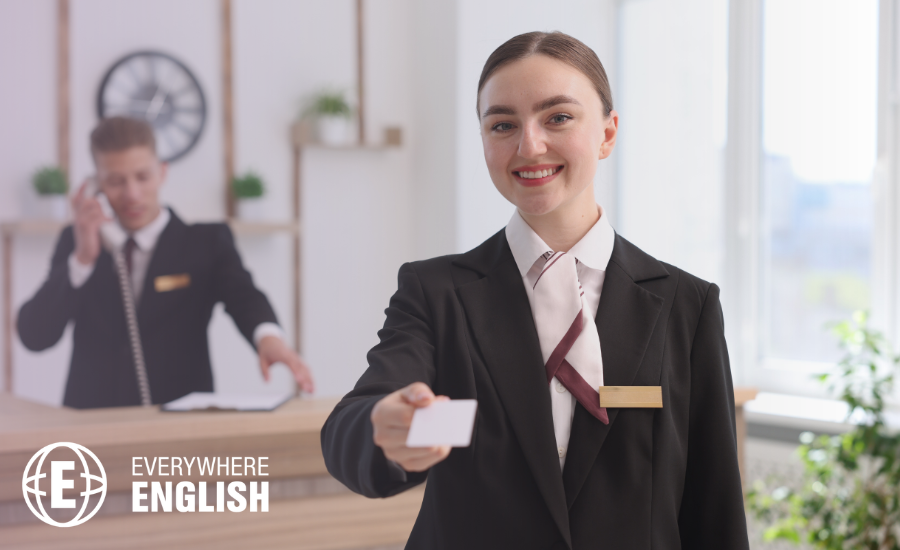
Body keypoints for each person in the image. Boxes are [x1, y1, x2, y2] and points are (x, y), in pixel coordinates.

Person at [321, 31, 749, 549]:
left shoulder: (688, 306)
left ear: (608, 134)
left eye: (558, 118)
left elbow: (714, 510)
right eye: (502, 124)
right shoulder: (436, 293)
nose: (529, 145)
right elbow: (351, 425)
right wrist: (383, 429)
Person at [18, 116, 314, 409]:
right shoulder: (77, 242)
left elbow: (244, 295)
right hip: (92, 430)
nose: (132, 194)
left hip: (177, 427)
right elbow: (35, 336)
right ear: (96, 186)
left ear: (162, 173)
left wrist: (268, 338)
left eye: (142, 177)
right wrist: (82, 259)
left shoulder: (206, 242)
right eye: (116, 181)